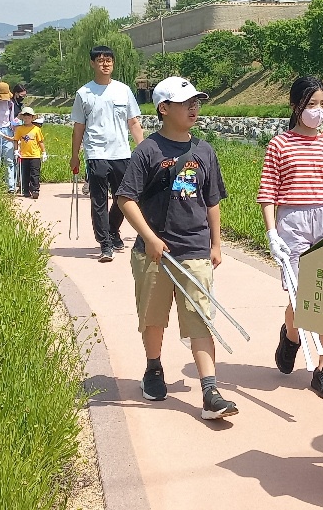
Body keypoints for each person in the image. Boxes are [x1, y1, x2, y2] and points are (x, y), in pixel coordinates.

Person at [116, 76, 238, 420]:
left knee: (200, 319)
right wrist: (150, 238)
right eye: (186, 103)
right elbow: (125, 198)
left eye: (196, 102)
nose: (194, 108)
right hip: (154, 253)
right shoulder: (148, 151)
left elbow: (211, 199)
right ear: (164, 109)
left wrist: (216, 242)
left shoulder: (204, 150)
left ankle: (210, 391)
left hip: (195, 249)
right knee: (153, 319)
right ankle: (153, 368)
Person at [258, 75, 323, 400]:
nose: (318, 111)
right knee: (299, 296)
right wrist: (272, 231)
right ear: (295, 106)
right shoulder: (279, 144)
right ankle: (291, 335)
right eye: (311, 104)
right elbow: (268, 191)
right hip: (293, 222)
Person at [69, 46, 145, 263]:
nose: (105, 64)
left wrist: (144, 150)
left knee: (126, 198)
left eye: (109, 60)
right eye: (100, 60)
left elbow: (133, 122)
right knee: (99, 200)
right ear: (92, 63)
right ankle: (105, 244)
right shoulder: (84, 93)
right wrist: (75, 155)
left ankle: (112, 229)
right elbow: (78, 128)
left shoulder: (123, 90)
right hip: (96, 153)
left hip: (122, 152)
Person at [12, 107, 46, 199]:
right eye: (25, 117)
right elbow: (16, 140)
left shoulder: (36, 129)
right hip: (24, 155)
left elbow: (40, 141)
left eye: (28, 117)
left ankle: (35, 189)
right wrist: (16, 151)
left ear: (32, 118)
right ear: (22, 118)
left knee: (35, 173)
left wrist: (44, 152)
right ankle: (25, 190)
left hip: (35, 154)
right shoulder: (19, 129)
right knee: (25, 173)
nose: (26, 119)